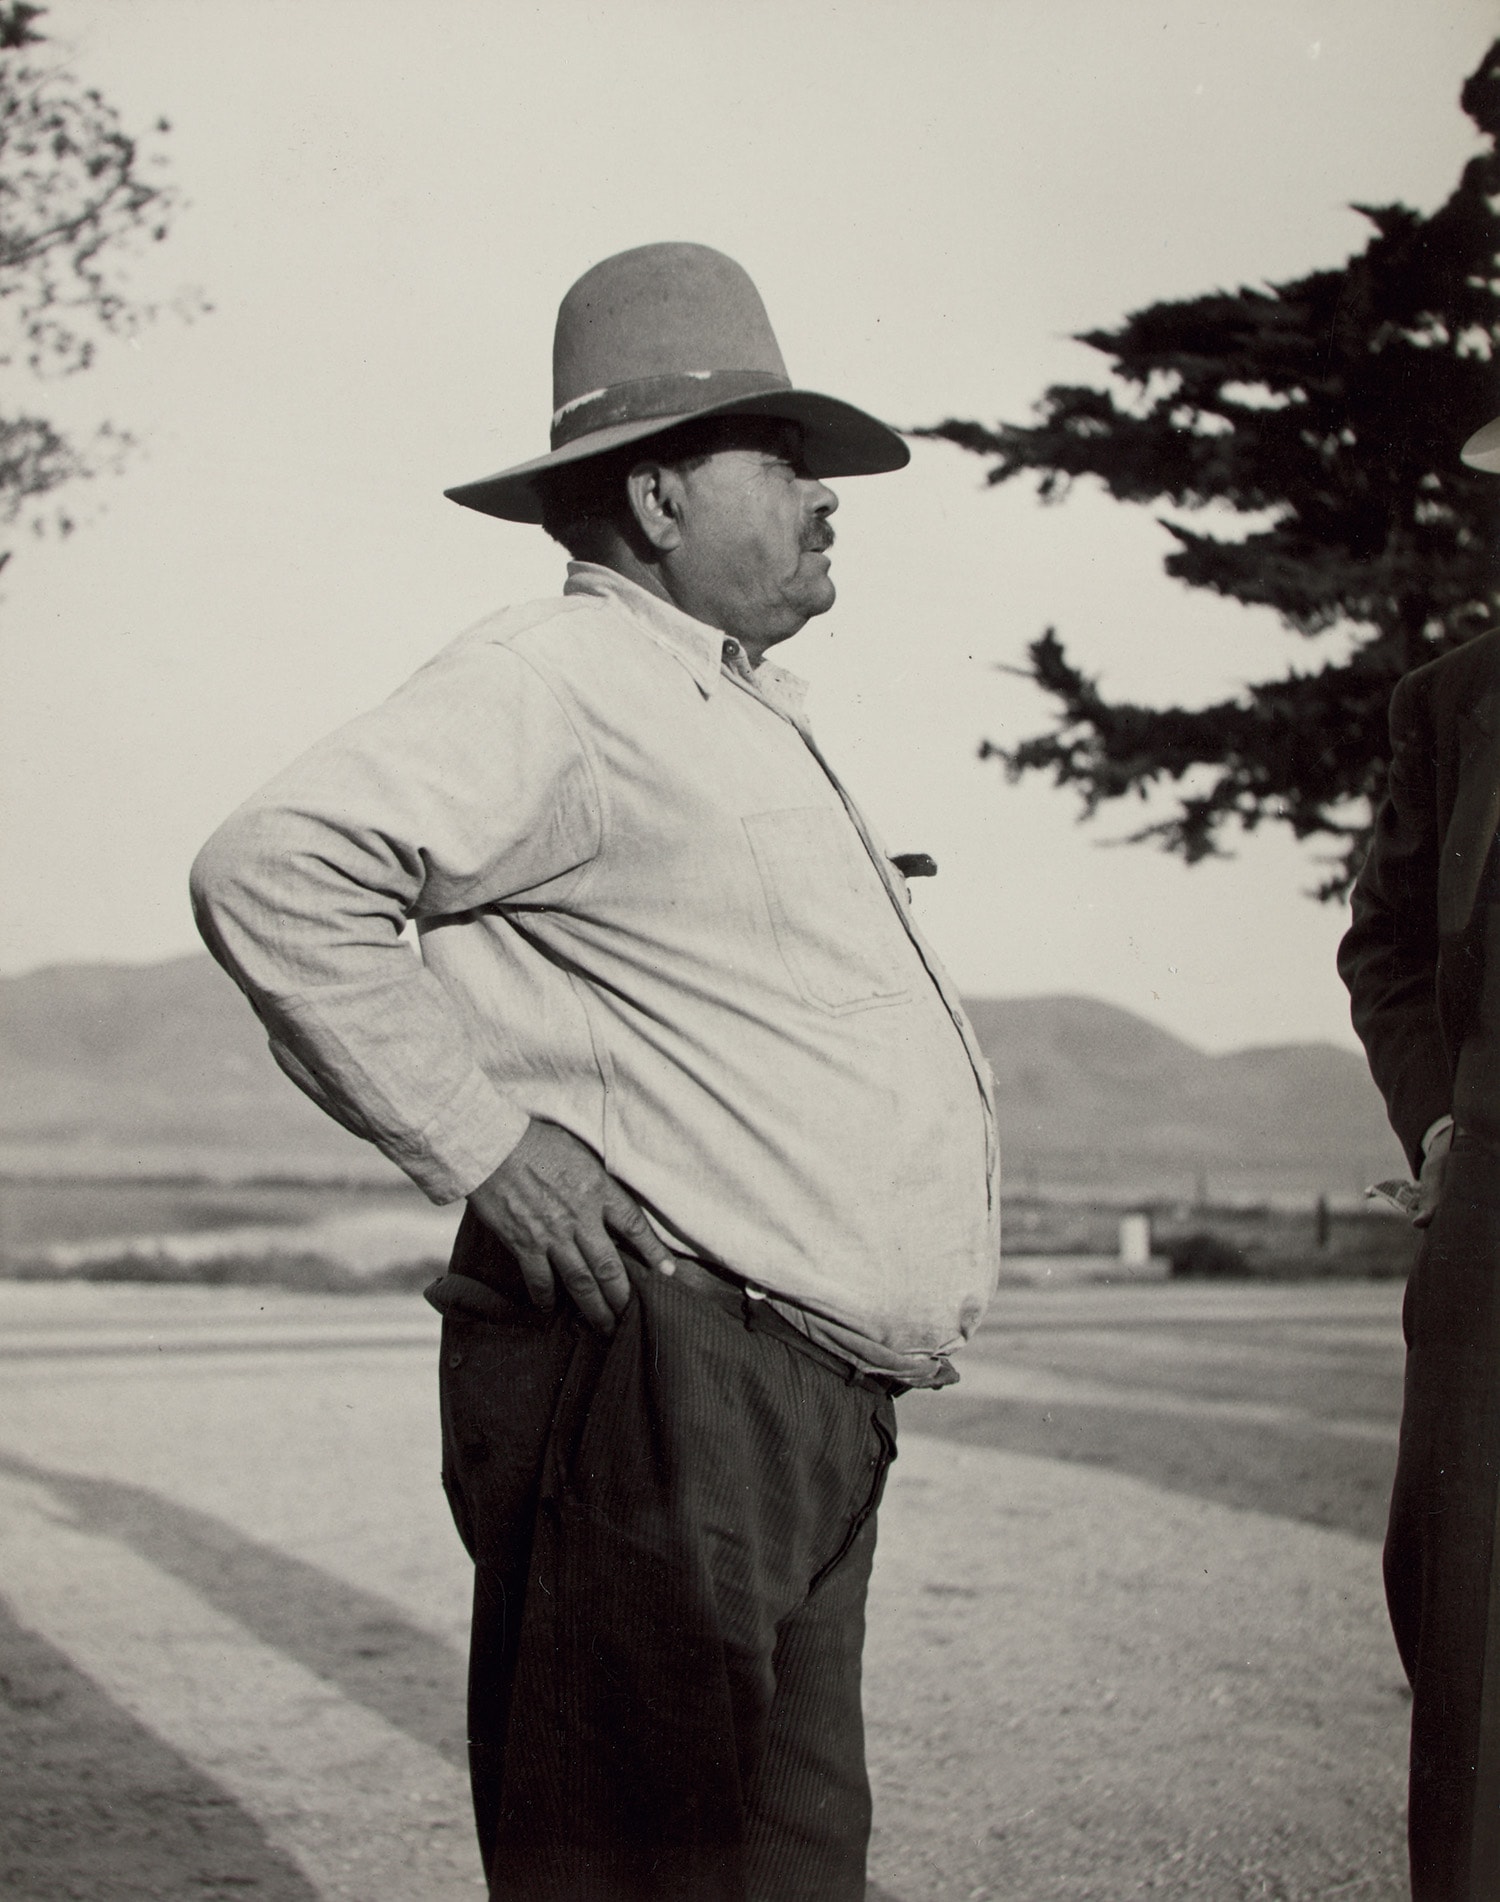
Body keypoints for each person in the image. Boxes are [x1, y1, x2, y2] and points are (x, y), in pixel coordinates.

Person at [190, 241, 1000, 1902]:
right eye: (778, 461)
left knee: (779, 1870)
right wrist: (485, 1145)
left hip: (790, 1400)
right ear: (652, 501)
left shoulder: (723, 702)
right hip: (667, 1384)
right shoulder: (555, 682)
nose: (825, 499)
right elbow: (275, 866)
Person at [1338, 409, 1500, 1902]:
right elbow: (1382, 943)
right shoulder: (1450, 704)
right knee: (1466, 1619)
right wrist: (1444, 1118)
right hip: (1496, 1212)